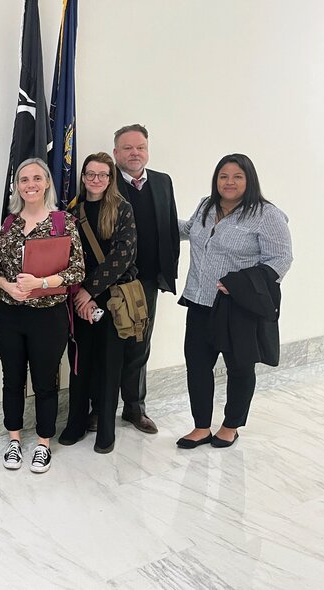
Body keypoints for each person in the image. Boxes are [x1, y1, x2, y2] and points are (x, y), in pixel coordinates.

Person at [176, 154, 292, 449]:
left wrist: (238, 285)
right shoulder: (206, 205)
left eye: (237, 176)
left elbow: (280, 259)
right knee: (197, 366)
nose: (229, 182)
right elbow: (189, 230)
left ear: (249, 179)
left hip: (236, 307)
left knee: (239, 367)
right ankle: (201, 426)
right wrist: (154, 217)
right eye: (223, 176)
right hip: (199, 301)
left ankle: (231, 425)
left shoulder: (267, 215)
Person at [0, 157, 85, 474]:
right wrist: (7, 286)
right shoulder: (9, 223)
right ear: (17, 186)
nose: (30, 185)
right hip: (10, 315)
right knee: (12, 379)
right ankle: (14, 440)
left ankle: (43, 443)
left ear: (46, 183)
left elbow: (77, 270)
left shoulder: (63, 223)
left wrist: (42, 283)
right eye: (23, 180)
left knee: (45, 381)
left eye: (36, 178)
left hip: (49, 317)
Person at [58, 153, 138, 454]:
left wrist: (89, 292)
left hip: (111, 299)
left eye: (102, 175)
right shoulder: (71, 210)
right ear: (82, 176)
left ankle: (106, 429)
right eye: (90, 174)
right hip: (77, 298)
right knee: (80, 364)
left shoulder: (122, 209)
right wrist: (79, 294)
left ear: (110, 178)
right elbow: (66, 255)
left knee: (109, 365)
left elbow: (122, 257)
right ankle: (76, 423)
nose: (95, 180)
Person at [112, 123, 180, 434]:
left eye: (140, 147)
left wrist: (169, 271)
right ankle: (100, 408)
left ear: (147, 150)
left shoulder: (163, 182)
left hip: (148, 281)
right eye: (127, 148)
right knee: (108, 347)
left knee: (140, 345)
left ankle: (134, 408)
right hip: (113, 281)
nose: (135, 152)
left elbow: (169, 228)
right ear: (116, 153)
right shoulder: (105, 180)